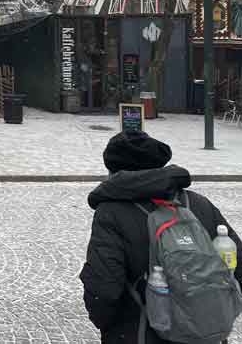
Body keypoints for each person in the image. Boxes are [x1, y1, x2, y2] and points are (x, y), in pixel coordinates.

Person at [80, 130, 242, 343]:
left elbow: (103, 288)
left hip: (140, 333)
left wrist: (111, 326)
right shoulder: (198, 204)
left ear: (113, 170)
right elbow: (237, 265)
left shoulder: (111, 213)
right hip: (206, 334)